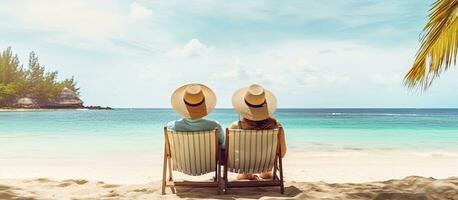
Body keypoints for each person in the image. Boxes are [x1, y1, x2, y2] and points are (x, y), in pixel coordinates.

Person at [229, 84, 286, 180]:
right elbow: (282, 153)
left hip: (243, 165)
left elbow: (230, 154)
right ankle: (266, 173)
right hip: (267, 165)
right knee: (267, 172)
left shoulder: (235, 127)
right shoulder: (277, 126)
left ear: (244, 107)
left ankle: (246, 174)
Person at [167, 83, 224, 148]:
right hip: (209, 158)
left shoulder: (171, 127)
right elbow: (222, 145)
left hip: (181, 158)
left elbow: (169, 149)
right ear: (204, 105)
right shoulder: (215, 126)